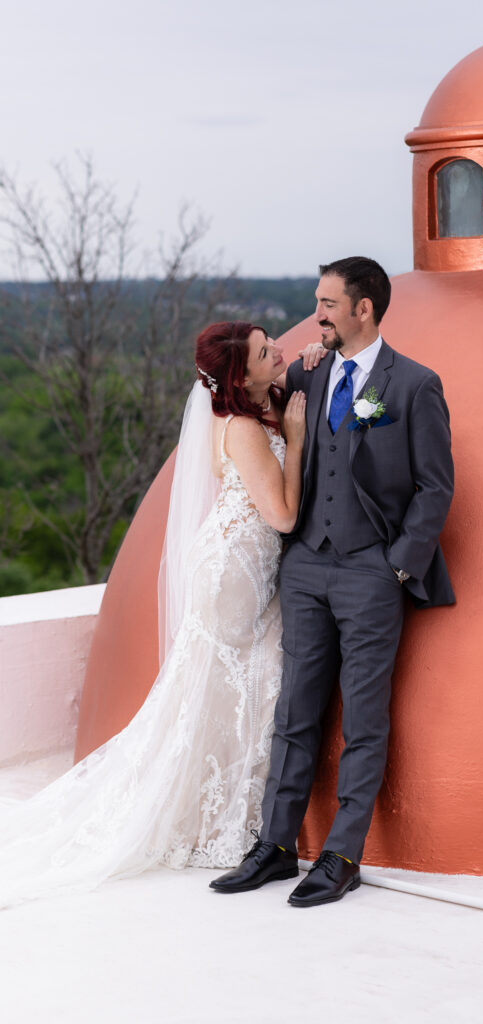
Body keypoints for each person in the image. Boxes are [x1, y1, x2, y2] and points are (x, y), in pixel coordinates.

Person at [0, 320, 309, 909]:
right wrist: (293, 441)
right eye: (268, 351)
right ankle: (213, 817)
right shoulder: (244, 427)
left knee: (223, 686)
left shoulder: (253, 402)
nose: (282, 353)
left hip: (238, 563)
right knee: (238, 684)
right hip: (235, 573)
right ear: (241, 377)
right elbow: (285, 516)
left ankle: (225, 811)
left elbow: (289, 380)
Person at [210, 257, 455, 907]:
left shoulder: (413, 386)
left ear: (364, 309)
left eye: (326, 304)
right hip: (305, 565)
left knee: (365, 717)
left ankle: (343, 853)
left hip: (371, 571)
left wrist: (396, 564)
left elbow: (435, 487)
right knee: (294, 711)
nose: (315, 315)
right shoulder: (304, 376)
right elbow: (239, 405)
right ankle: (277, 846)